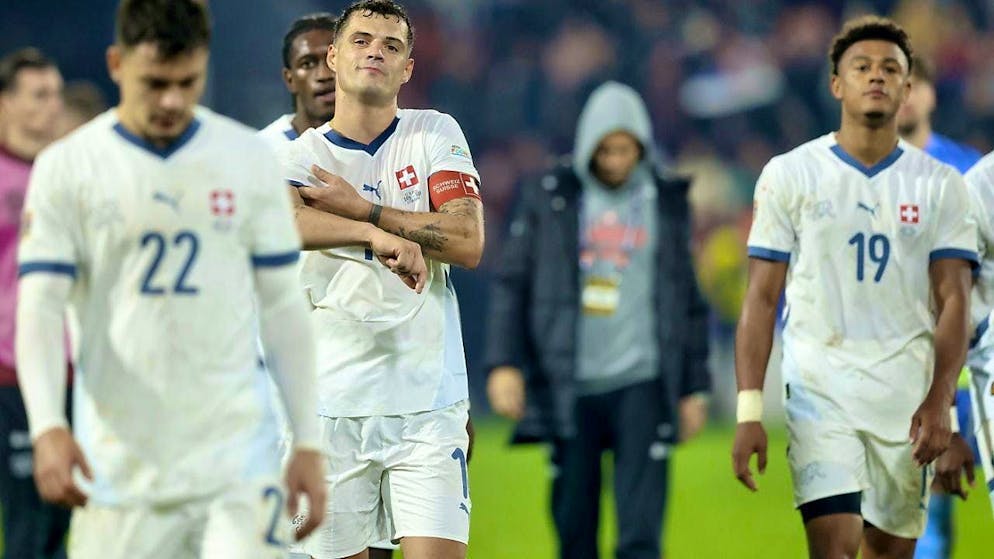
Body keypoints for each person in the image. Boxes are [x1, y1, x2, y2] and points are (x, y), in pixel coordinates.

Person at [15, 1, 332, 556]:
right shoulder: (69, 168)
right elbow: (39, 307)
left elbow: (283, 306)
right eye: (154, 82)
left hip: (236, 462)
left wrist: (305, 439)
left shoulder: (246, 161)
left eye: (187, 82)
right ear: (117, 64)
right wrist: (47, 425)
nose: (171, 101)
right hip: (120, 469)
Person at [733, 15, 977, 559]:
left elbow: (953, 300)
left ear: (908, 87)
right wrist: (750, 410)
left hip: (906, 400)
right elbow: (760, 297)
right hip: (821, 393)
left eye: (891, 68)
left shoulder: (943, 187)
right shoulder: (789, 175)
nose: (877, 77)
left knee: (888, 553)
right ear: (836, 84)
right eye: (861, 66)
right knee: (834, 546)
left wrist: (945, 409)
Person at [276, 1, 482, 558]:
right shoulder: (300, 157)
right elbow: (284, 224)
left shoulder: (433, 133)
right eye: (362, 40)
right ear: (334, 56)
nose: (376, 51)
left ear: (408, 69)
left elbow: (467, 239)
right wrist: (375, 236)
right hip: (331, 408)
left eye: (391, 46)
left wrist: (367, 211)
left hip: (427, 406)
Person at [484, 81, 711, 559]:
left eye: (624, 149)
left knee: (641, 535)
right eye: (604, 149)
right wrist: (503, 364)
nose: (614, 160)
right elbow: (512, 284)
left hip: (643, 383)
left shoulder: (666, 201)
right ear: (587, 145)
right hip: (570, 383)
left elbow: (687, 299)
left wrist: (693, 387)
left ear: (641, 146)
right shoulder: (549, 197)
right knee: (573, 531)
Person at [897, 54, 982, 559]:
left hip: (979, 364)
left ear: (930, 95)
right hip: (909, 365)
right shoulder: (858, 173)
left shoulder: (973, 172)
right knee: (923, 506)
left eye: (915, 83)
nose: (904, 93)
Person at [0, 46, 68, 559]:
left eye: (57, 95)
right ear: (6, 102)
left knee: (63, 521)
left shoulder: (65, 175)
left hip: (68, 367)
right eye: (39, 95)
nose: (53, 106)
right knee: (27, 521)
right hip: (7, 373)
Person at [258, 13, 337, 148]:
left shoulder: (382, 149)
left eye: (334, 59)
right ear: (290, 79)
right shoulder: (264, 150)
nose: (324, 75)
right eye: (307, 64)